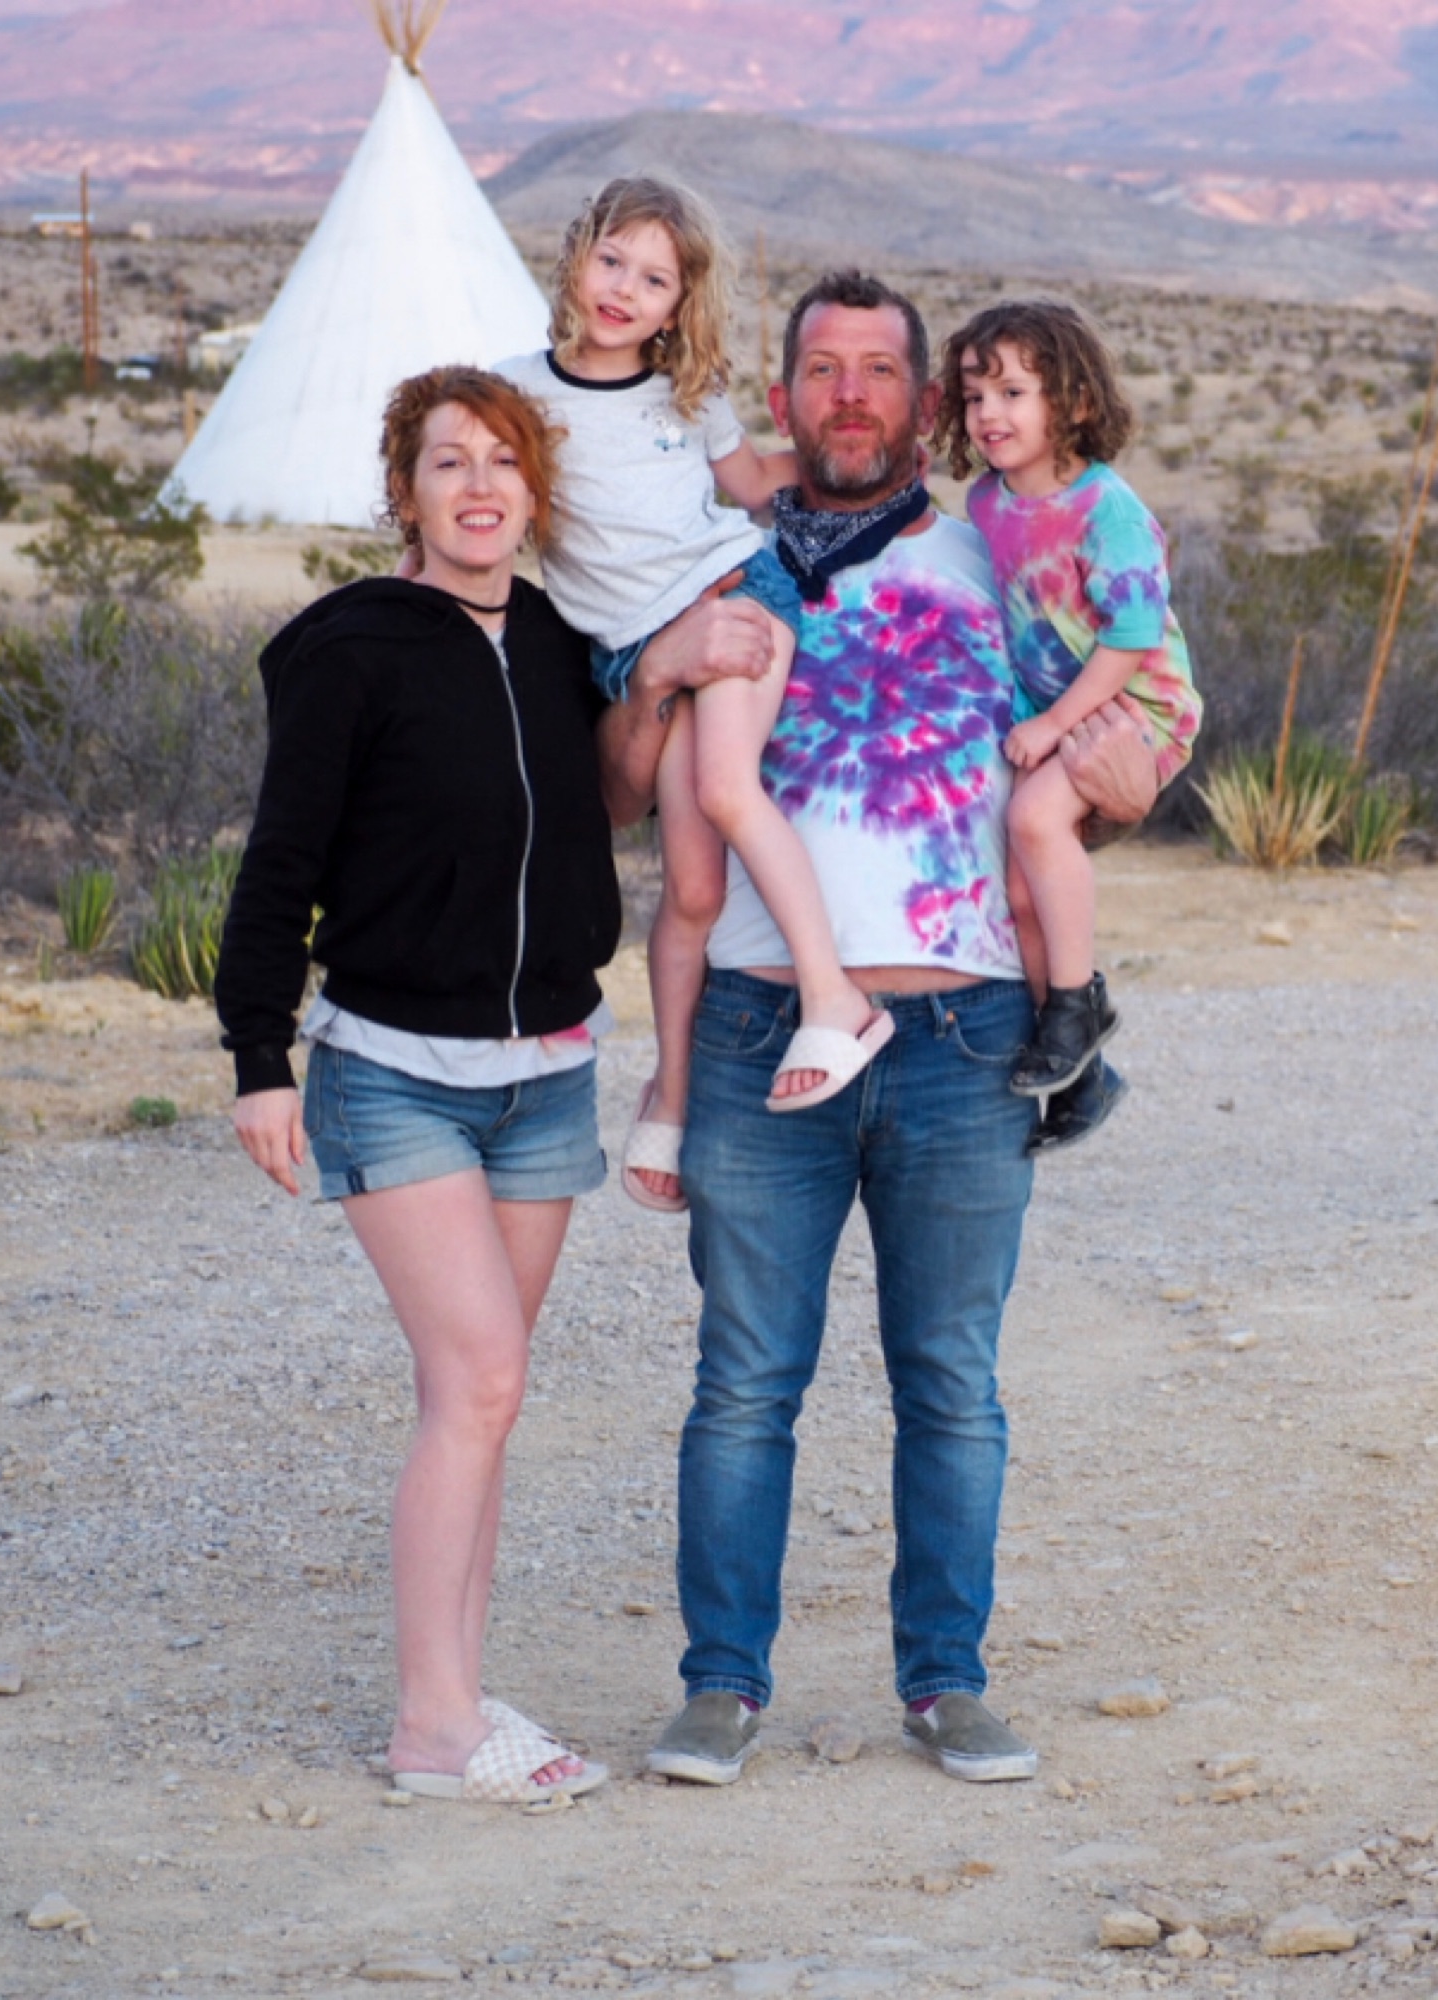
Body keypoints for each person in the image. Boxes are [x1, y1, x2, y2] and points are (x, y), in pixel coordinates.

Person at [596, 272, 1158, 1786]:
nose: (850, 394)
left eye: (881, 371)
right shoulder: (718, 567)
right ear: (782, 399)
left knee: (951, 1382)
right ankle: (721, 1686)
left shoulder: (993, 558)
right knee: (743, 1381)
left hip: (964, 1035)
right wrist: (658, 674)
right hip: (757, 1029)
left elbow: (1096, 744)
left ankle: (946, 1682)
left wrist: (1125, 792)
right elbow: (619, 784)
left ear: (926, 405)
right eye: (822, 370)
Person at [214, 366, 619, 1806]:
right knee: (483, 1376)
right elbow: (282, 860)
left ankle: (457, 1686)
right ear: (405, 492)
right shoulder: (351, 647)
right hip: (393, 1070)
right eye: (449, 461)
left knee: (479, 1399)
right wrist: (259, 1058)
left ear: (533, 491)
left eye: (503, 460)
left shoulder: (562, 642)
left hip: (547, 1075)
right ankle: (432, 1728)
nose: (478, 485)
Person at [499, 177, 891, 1223]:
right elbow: (473, 494)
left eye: (654, 279)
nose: (624, 289)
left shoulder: (688, 390)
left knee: (725, 789)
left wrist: (871, 462)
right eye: (611, 260)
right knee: (691, 889)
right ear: (576, 257)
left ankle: (837, 1001)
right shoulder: (515, 394)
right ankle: (670, 1092)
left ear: (680, 304)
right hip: (639, 651)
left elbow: (757, 485)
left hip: (738, 592)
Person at [934, 300, 1201, 1148]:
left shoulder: (1105, 510)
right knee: (1020, 891)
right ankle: (1085, 1077)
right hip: (1053, 712)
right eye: (974, 396)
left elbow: (1131, 638)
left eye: (1013, 393)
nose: (989, 414)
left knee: (1031, 819)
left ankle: (1077, 1007)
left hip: (1135, 707)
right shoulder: (987, 501)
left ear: (1073, 401)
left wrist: (1052, 722)